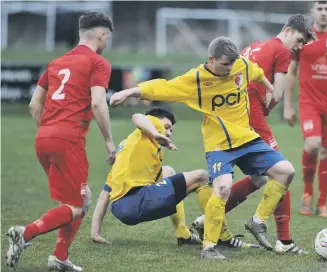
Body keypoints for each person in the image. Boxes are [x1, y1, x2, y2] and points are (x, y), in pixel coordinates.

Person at [109, 36, 298, 260]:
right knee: (222, 188)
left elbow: (256, 71)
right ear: (212, 59)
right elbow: (163, 87)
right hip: (219, 145)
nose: (230, 68)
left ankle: (257, 222)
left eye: (232, 63)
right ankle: (209, 246)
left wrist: (271, 93)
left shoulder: (240, 65)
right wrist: (128, 92)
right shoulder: (196, 79)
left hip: (248, 139)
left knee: (286, 171)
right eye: (225, 64)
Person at [190, 14, 316, 254]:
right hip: (251, 115)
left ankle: (205, 222)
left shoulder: (256, 45)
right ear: (288, 31)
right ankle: (284, 241)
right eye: (299, 40)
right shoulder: (281, 51)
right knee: (282, 170)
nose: (299, 47)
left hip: (234, 114)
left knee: (259, 179)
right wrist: (268, 105)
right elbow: (276, 94)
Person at [6, 11, 115, 271]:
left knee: (81, 198)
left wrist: (50, 130)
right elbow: (98, 102)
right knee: (76, 206)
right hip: (68, 140)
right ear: (101, 34)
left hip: (43, 138)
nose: (106, 42)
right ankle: (26, 233)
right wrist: (109, 141)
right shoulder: (98, 62)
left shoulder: (55, 63)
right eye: (107, 37)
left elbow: (34, 105)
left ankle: (59, 258)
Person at [90, 107, 212, 245]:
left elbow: (105, 194)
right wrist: (155, 131)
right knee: (202, 176)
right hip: (136, 201)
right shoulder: (149, 128)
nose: (168, 132)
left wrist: (95, 233)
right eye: (166, 127)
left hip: (120, 208)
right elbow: (137, 116)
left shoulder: (129, 148)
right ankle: (216, 236)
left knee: (168, 171)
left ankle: (183, 235)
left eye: (171, 130)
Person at [283, 0, 327, 217]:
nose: (323, 13)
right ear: (312, 11)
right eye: (319, 9)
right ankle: (307, 194)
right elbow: (292, 70)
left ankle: (322, 202)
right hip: (308, 103)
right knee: (313, 144)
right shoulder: (302, 37)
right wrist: (288, 105)